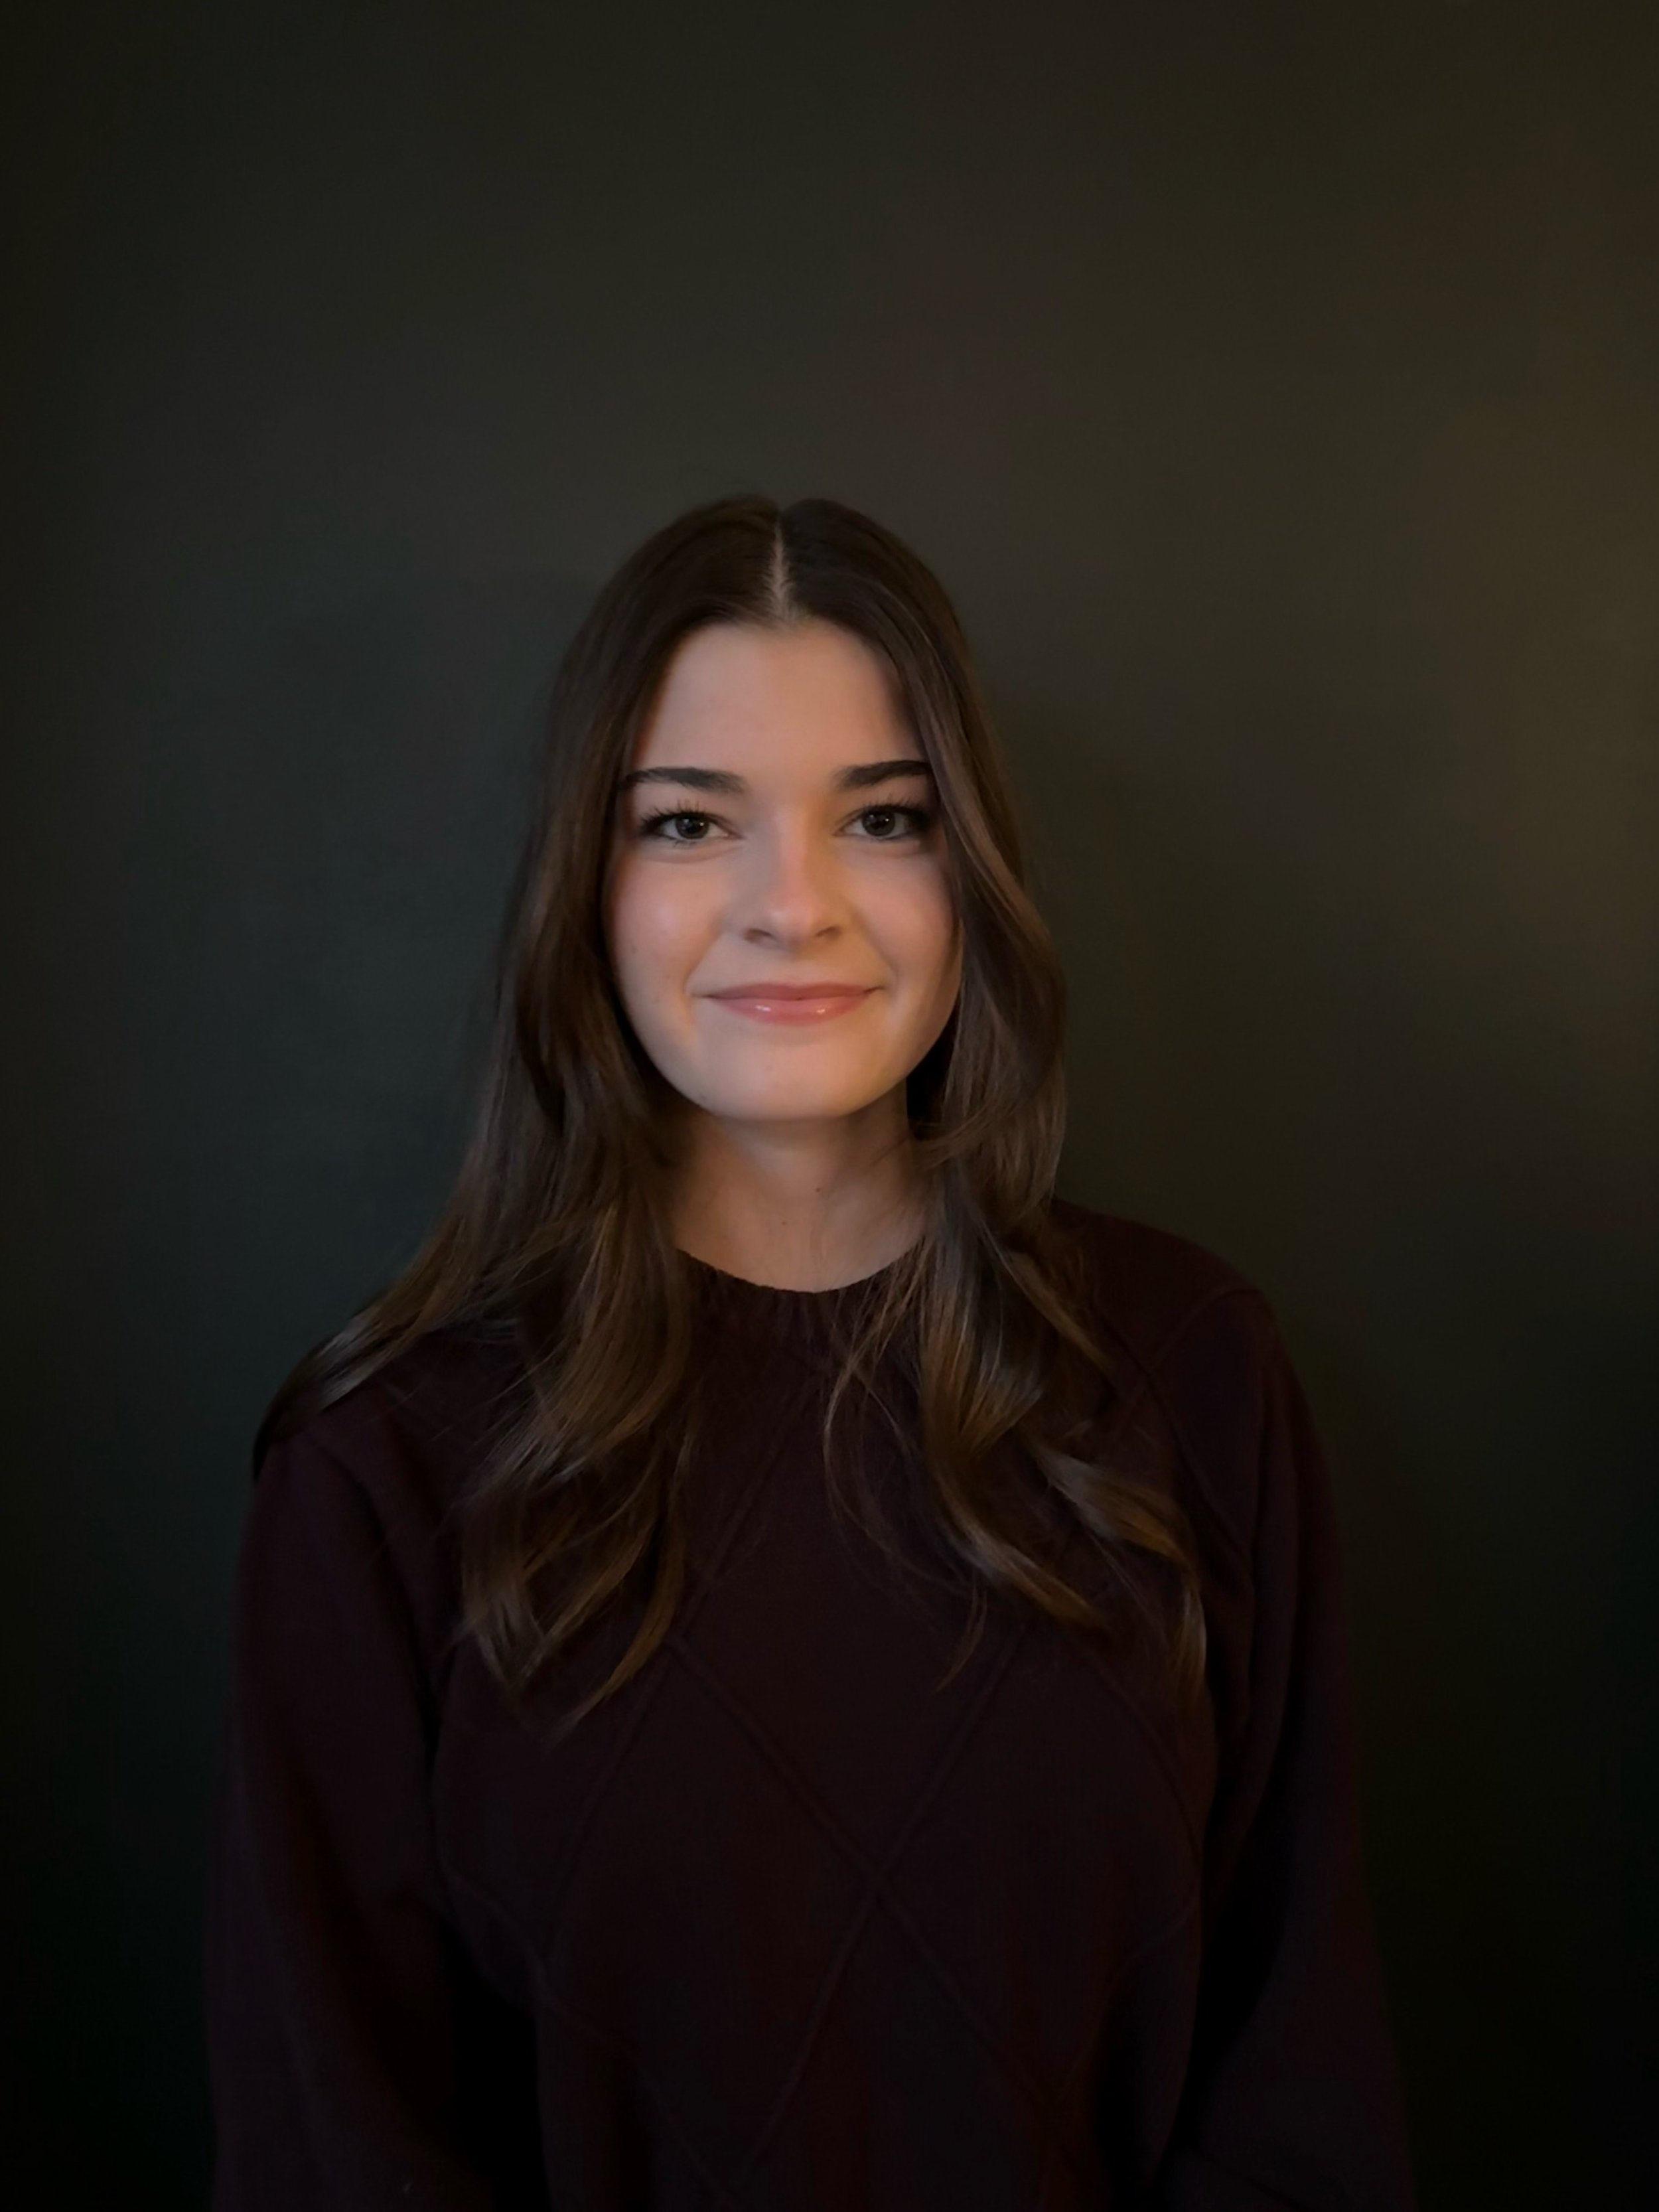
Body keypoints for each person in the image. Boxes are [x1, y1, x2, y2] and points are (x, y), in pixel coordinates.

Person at [204, 494, 1419, 2209]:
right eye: (690, 823)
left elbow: (1301, 2085)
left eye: (884, 817)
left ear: (969, 867)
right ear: (587, 882)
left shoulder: (1190, 1379)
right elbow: (332, 2148)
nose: (794, 907)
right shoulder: (378, 1478)